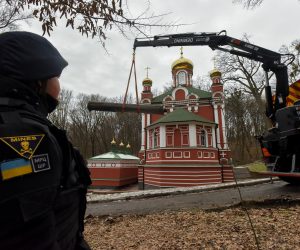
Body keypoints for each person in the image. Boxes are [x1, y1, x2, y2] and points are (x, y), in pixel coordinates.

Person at [0, 31, 91, 250]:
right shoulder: (24, 136)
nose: (59, 87)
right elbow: (30, 237)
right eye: (56, 77)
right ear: (37, 79)